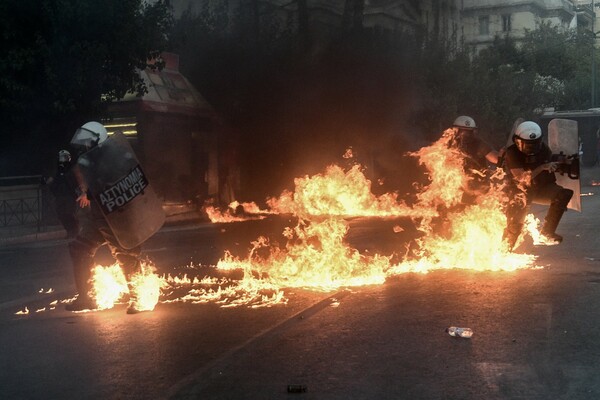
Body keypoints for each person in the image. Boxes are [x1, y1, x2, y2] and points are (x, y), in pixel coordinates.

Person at [65, 121, 146, 314]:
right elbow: (89, 181)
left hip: (117, 215)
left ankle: (140, 299)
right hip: (99, 217)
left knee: (125, 254)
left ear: (98, 140)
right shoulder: (90, 160)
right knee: (80, 248)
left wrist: (92, 192)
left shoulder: (113, 157)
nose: (84, 146)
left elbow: (117, 182)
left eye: (87, 142)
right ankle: (87, 297)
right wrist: (86, 191)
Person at [502, 121, 573, 250]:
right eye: (528, 145)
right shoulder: (512, 153)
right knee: (515, 226)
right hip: (520, 193)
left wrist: (561, 162)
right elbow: (522, 179)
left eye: (535, 144)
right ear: (518, 142)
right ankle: (503, 252)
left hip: (540, 189)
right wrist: (542, 167)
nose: (532, 148)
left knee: (563, 194)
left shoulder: (543, 149)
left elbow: (549, 160)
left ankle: (547, 233)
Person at [449, 116, 499, 202]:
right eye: (463, 131)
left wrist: (506, 155)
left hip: (478, 189)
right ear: (456, 130)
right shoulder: (447, 145)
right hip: (455, 190)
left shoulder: (479, 144)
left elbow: (496, 159)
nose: (465, 135)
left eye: (468, 132)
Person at [47, 150, 79, 238]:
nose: (62, 159)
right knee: (61, 214)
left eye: (64, 157)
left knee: (69, 214)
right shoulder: (57, 169)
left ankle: (74, 232)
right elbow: (55, 181)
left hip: (69, 196)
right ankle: (70, 231)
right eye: (61, 157)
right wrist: (51, 183)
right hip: (60, 196)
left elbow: (74, 181)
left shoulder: (71, 168)